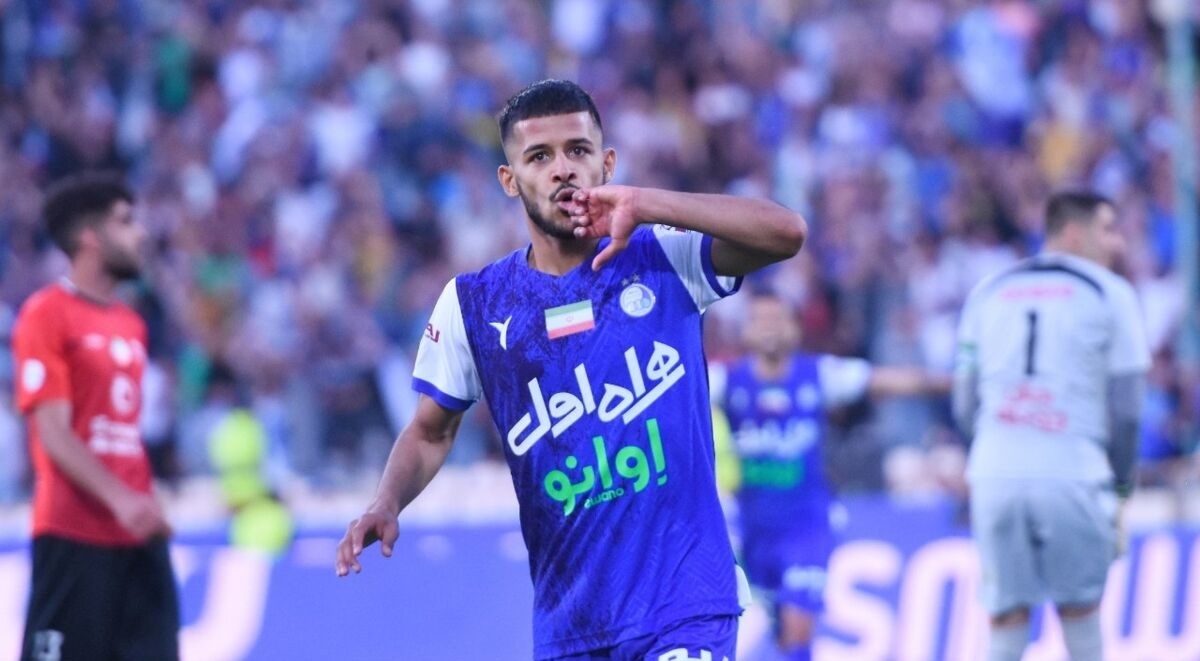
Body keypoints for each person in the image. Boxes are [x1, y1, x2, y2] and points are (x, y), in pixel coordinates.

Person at [335, 79, 807, 660]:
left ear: (606, 164)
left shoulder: (664, 255)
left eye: (578, 150)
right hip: (572, 625)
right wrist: (386, 502)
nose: (562, 169)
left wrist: (648, 204)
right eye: (539, 156)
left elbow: (786, 233)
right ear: (510, 180)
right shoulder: (473, 305)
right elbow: (431, 432)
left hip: (684, 604)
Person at [954, 191, 1150, 661]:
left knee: (1005, 620)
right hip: (1073, 470)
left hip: (995, 473)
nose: (1118, 243)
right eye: (1108, 230)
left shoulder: (988, 291)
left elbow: (963, 403)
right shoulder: (1111, 292)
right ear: (1074, 233)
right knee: (1081, 616)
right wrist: (1121, 486)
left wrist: (990, 450)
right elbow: (1127, 410)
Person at [713, 289, 949, 660]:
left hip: (807, 525)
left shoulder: (819, 374)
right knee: (780, 630)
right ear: (746, 330)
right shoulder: (725, 382)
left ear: (795, 328)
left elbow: (890, 381)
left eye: (778, 320)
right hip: (752, 529)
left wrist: (958, 381)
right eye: (760, 320)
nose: (770, 329)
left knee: (798, 624)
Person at [12, 172, 179, 661]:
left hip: (139, 534)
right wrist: (120, 498)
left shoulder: (131, 324)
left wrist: (144, 500)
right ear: (90, 236)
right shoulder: (46, 314)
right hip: (74, 533)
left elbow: (121, 432)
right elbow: (54, 433)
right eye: (126, 222)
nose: (141, 233)